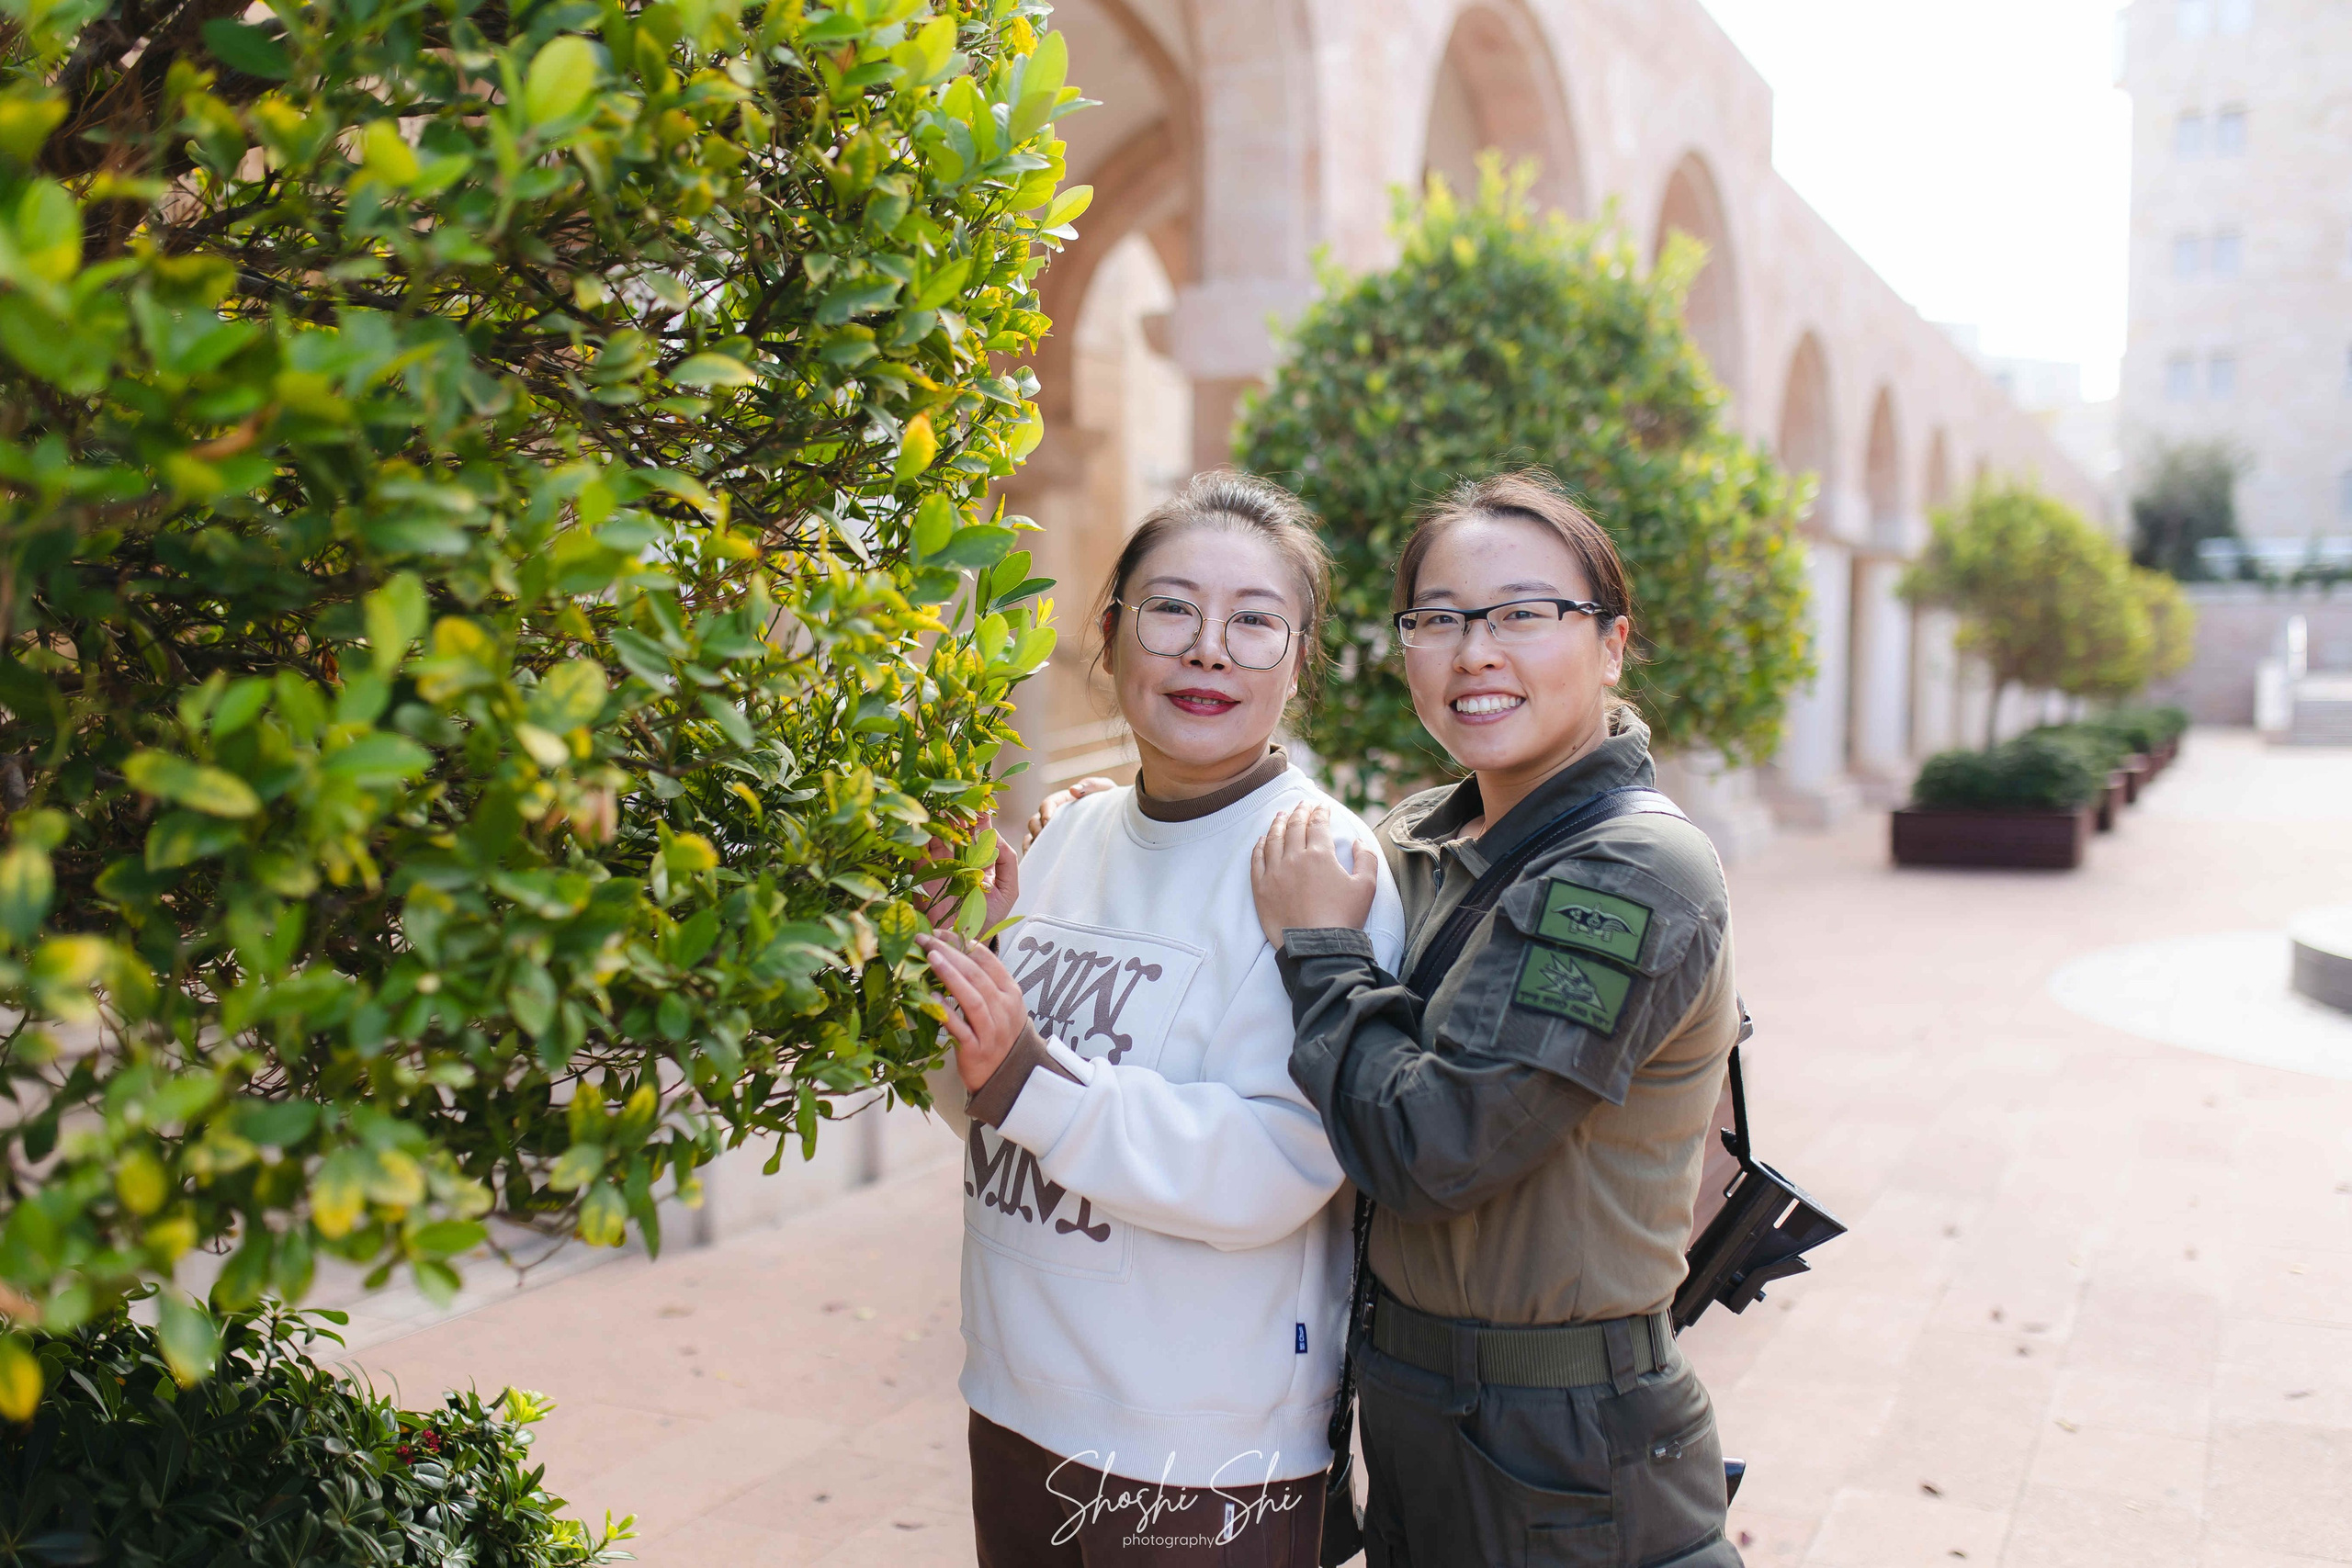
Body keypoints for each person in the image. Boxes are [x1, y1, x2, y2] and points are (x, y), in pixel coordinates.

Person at [1249, 471, 1745, 1568]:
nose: (1475, 652)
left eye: (1525, 613)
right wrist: (1102, 829)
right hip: (1418, 1409)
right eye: (1439, 620)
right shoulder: (1430, 832)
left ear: (1611, 644)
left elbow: (1434, 1148)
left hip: (1559, 1450)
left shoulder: (1630, 870)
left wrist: (1320, 953)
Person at [918, 472, 1408, 1567]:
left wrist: (1027, 1075)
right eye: (1172, 609)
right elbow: (988, 1113)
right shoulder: (1065, 838)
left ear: (1297, 661)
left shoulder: (1319, 869)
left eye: (1254, 623)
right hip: (1015, 1393)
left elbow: (1278, 1164)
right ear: (1111, 633)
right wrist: (954, 977)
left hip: (1201, 1445)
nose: (1208, 650)